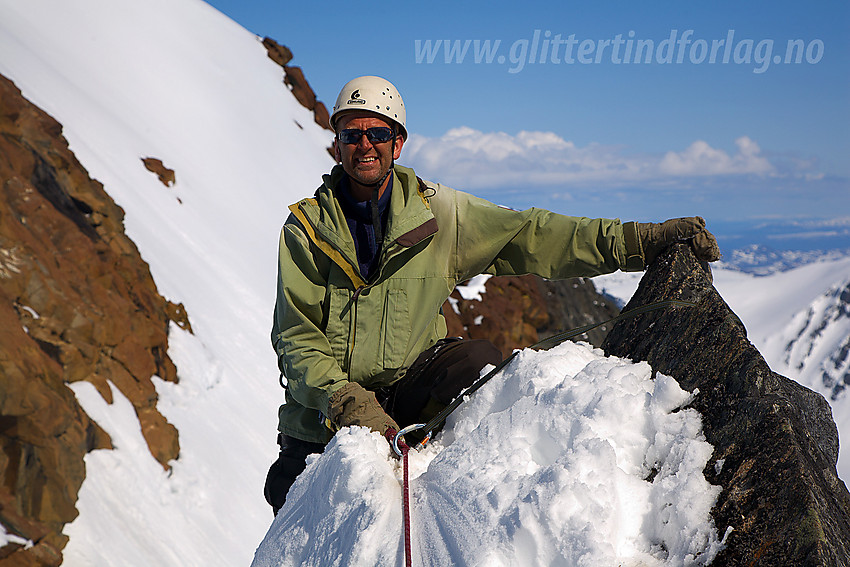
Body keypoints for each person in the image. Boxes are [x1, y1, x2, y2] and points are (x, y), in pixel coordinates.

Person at [264, 75, 720, 515]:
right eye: (352, 133)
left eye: (378, 132)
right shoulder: (307, 232)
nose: (365, 144)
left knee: (477, 361)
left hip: (409, 385)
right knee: (301, 511)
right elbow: (296, 340)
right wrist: (345, 399)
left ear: (397, 143)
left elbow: (532, 234)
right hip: (324, 415)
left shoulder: (436, 213)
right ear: (337, 142)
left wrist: (640, 241)